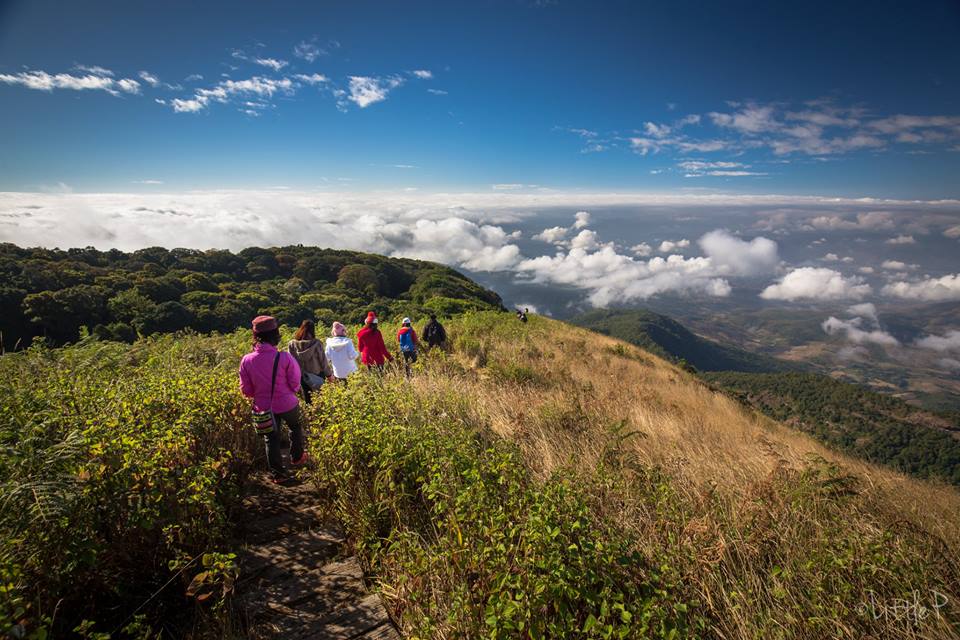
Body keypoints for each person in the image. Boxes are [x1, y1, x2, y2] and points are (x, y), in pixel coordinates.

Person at [239, 315, 308, 483]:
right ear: (275, 334)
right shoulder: (283, 357)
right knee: (296, 426)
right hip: (287, 403)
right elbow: (295, 382)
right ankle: (297, 457)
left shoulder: (246, 360)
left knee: (271, 439)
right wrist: (289, 392)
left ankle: (278, 474)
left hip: (263, 407)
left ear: (255, 336)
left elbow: (246, 390)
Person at [287, 320, 333, 404]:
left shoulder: (292, 344)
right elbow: (323, 362)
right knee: (321, 397)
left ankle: (311, 414)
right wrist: (329, 375)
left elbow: (291, 363)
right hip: (317, 374)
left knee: (307, 398)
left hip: (301, 375)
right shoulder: (317, 343)